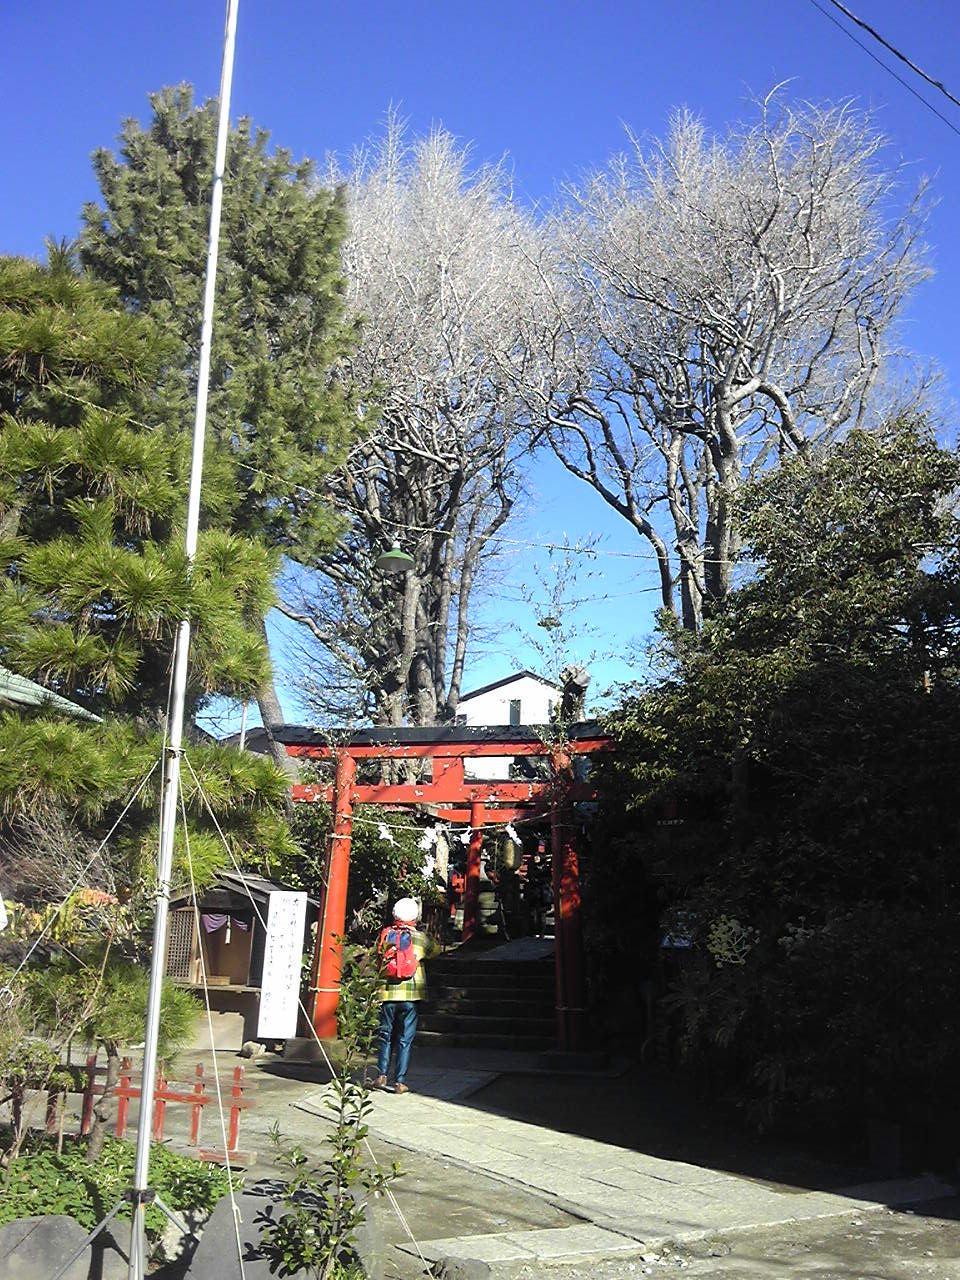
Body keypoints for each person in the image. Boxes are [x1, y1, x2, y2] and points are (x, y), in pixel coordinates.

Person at [373, 897, 439, 1094]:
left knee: (385, 1035)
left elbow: (376, 955)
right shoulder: (420, 938)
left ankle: (381, 1075)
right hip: (411, 995)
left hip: (387, 993)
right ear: (415, 917)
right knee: (405, 1038)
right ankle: (400, 1081)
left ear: (395, 914)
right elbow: (435, 951)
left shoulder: (386, 935)